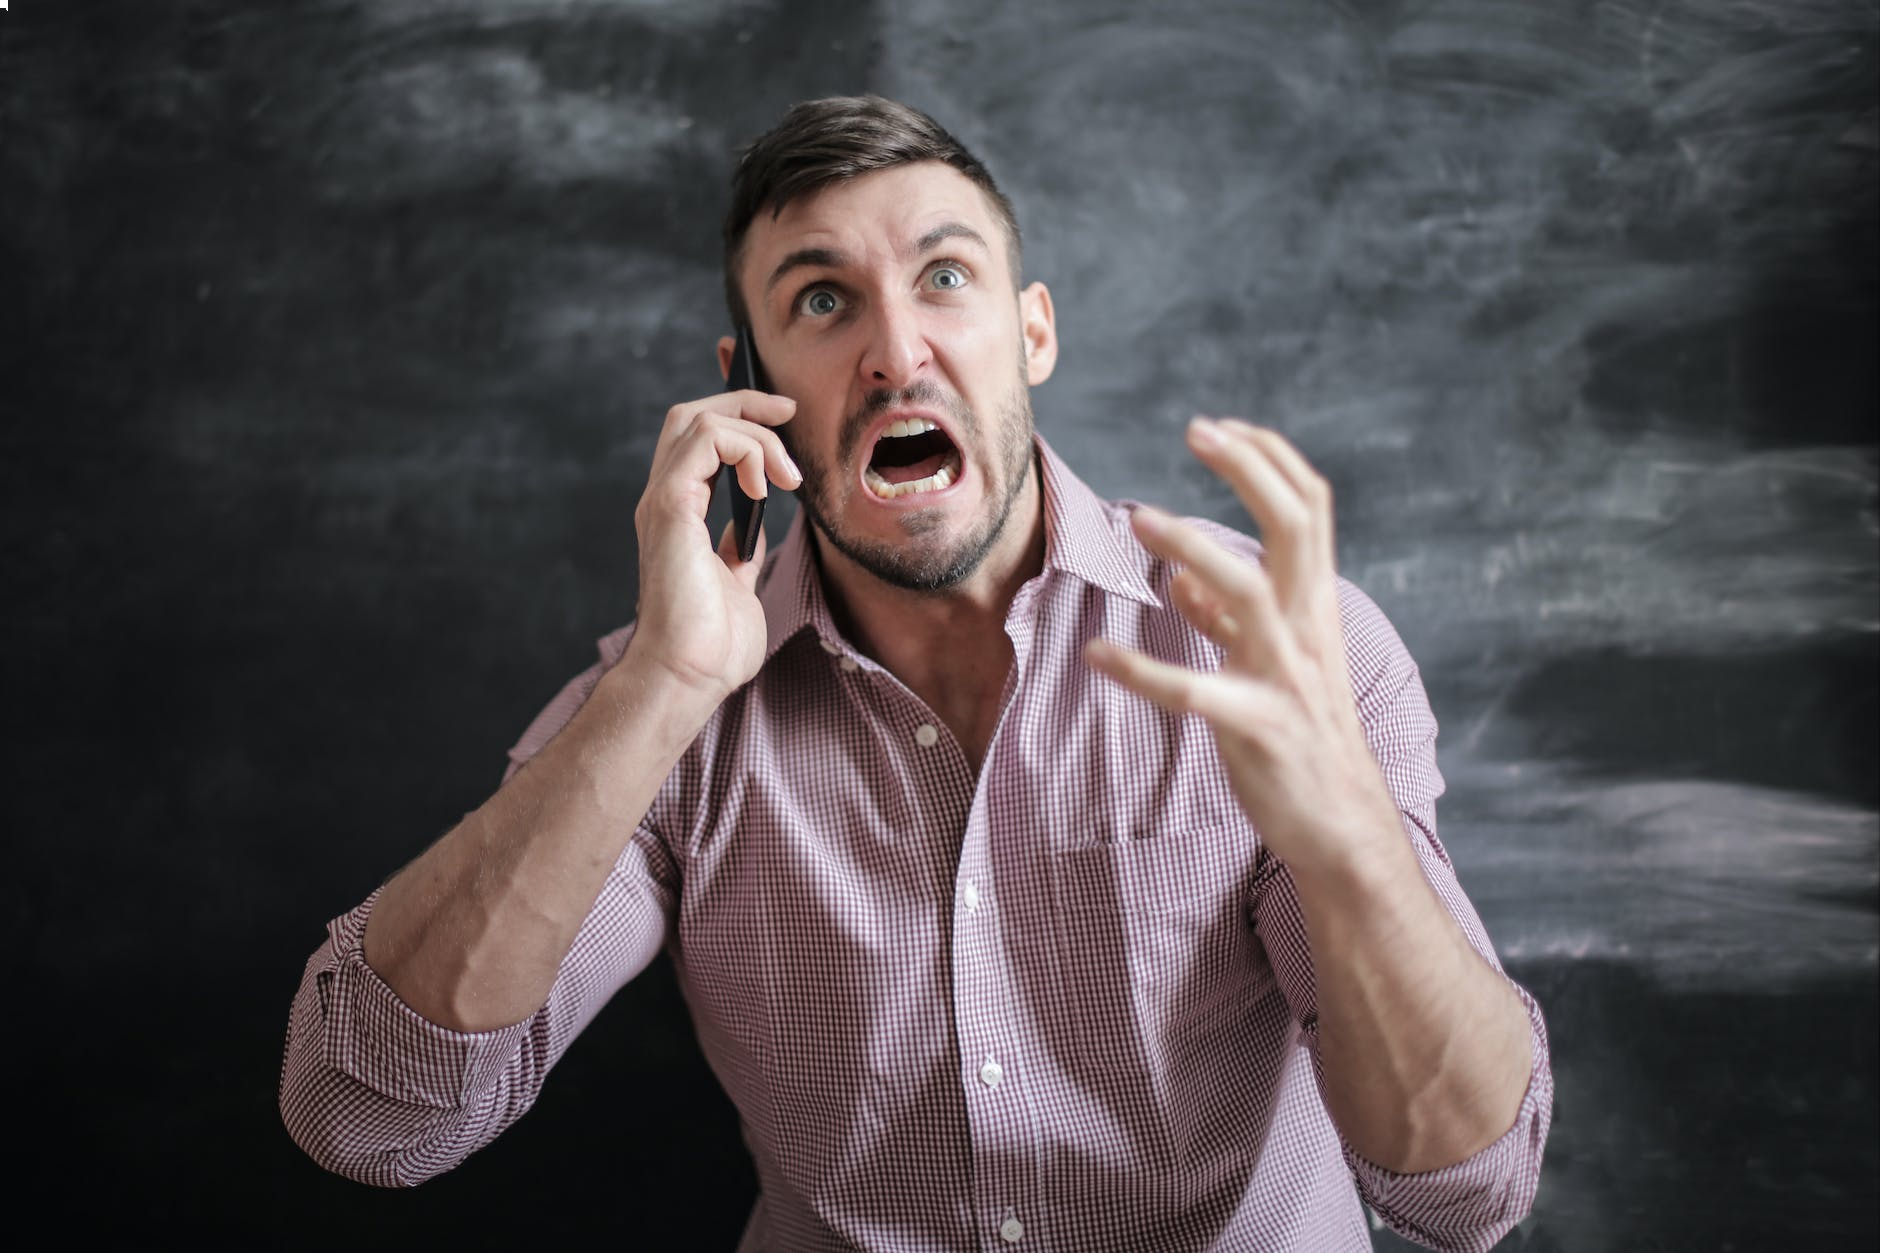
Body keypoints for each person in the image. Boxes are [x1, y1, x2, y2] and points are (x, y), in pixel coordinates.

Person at [280, 95, 1552, 1252]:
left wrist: (1347, 847)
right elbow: (372, 1120)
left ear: (1030, 330)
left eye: (944, 277)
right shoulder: (662, 711)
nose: (896, 352)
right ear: (749, 391)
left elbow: (1461, 1192)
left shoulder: (1277, 644)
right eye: (821, 301)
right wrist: (662, 685)